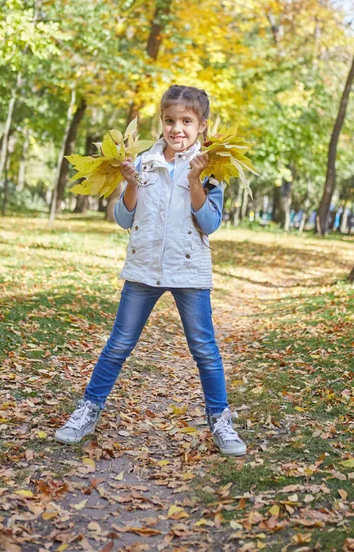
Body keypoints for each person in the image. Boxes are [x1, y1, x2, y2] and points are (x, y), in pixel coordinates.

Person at [55, 85, 246, 456]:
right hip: (143, 269)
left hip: (188, 270)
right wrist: (130, 182)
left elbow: (209, 224)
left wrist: (194, 181)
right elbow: (125, 218)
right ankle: (87, 411)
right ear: (161, 122)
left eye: (187, 121)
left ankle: (220, 420)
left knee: (204, 349)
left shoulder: (211, 170)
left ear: (202, 125)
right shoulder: (143, 162)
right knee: (119, 344)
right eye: (170, 120)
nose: (177, 129)